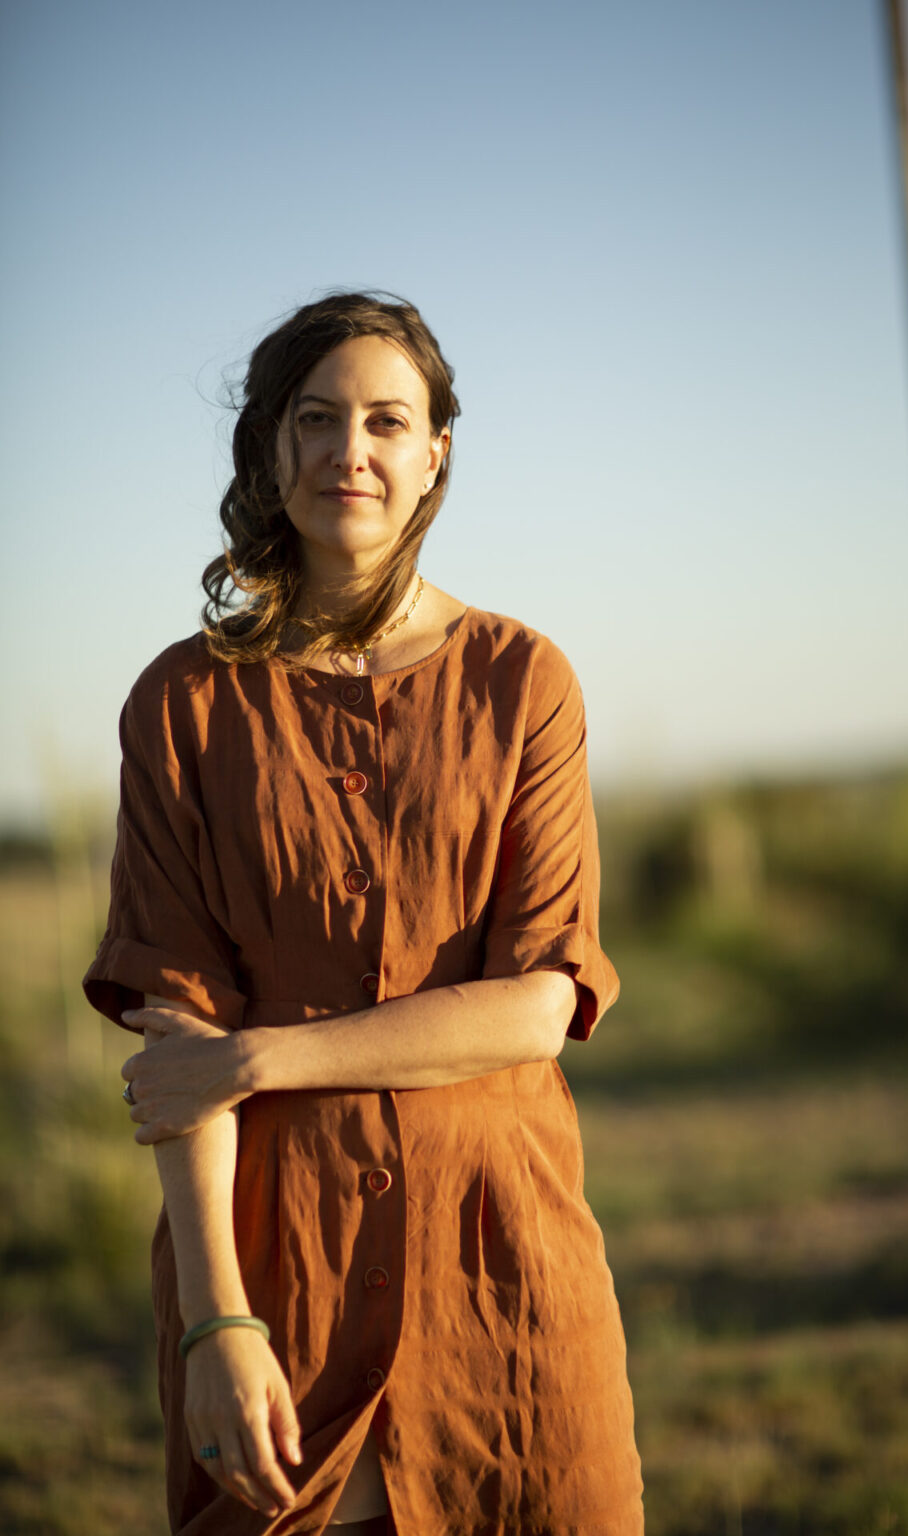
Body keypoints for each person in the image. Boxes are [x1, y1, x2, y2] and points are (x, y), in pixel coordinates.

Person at [83, 291, 644, 1535]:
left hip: (501, 1267)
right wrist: (217, 1320)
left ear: (434, 450)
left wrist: (266, 1057)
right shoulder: (182, 704)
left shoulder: (522, 680)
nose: (352, 451)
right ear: (270, 446)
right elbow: (178, 1044)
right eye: (317, 418)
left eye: (388, 421)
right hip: (279, 1263)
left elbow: (538, 1005)